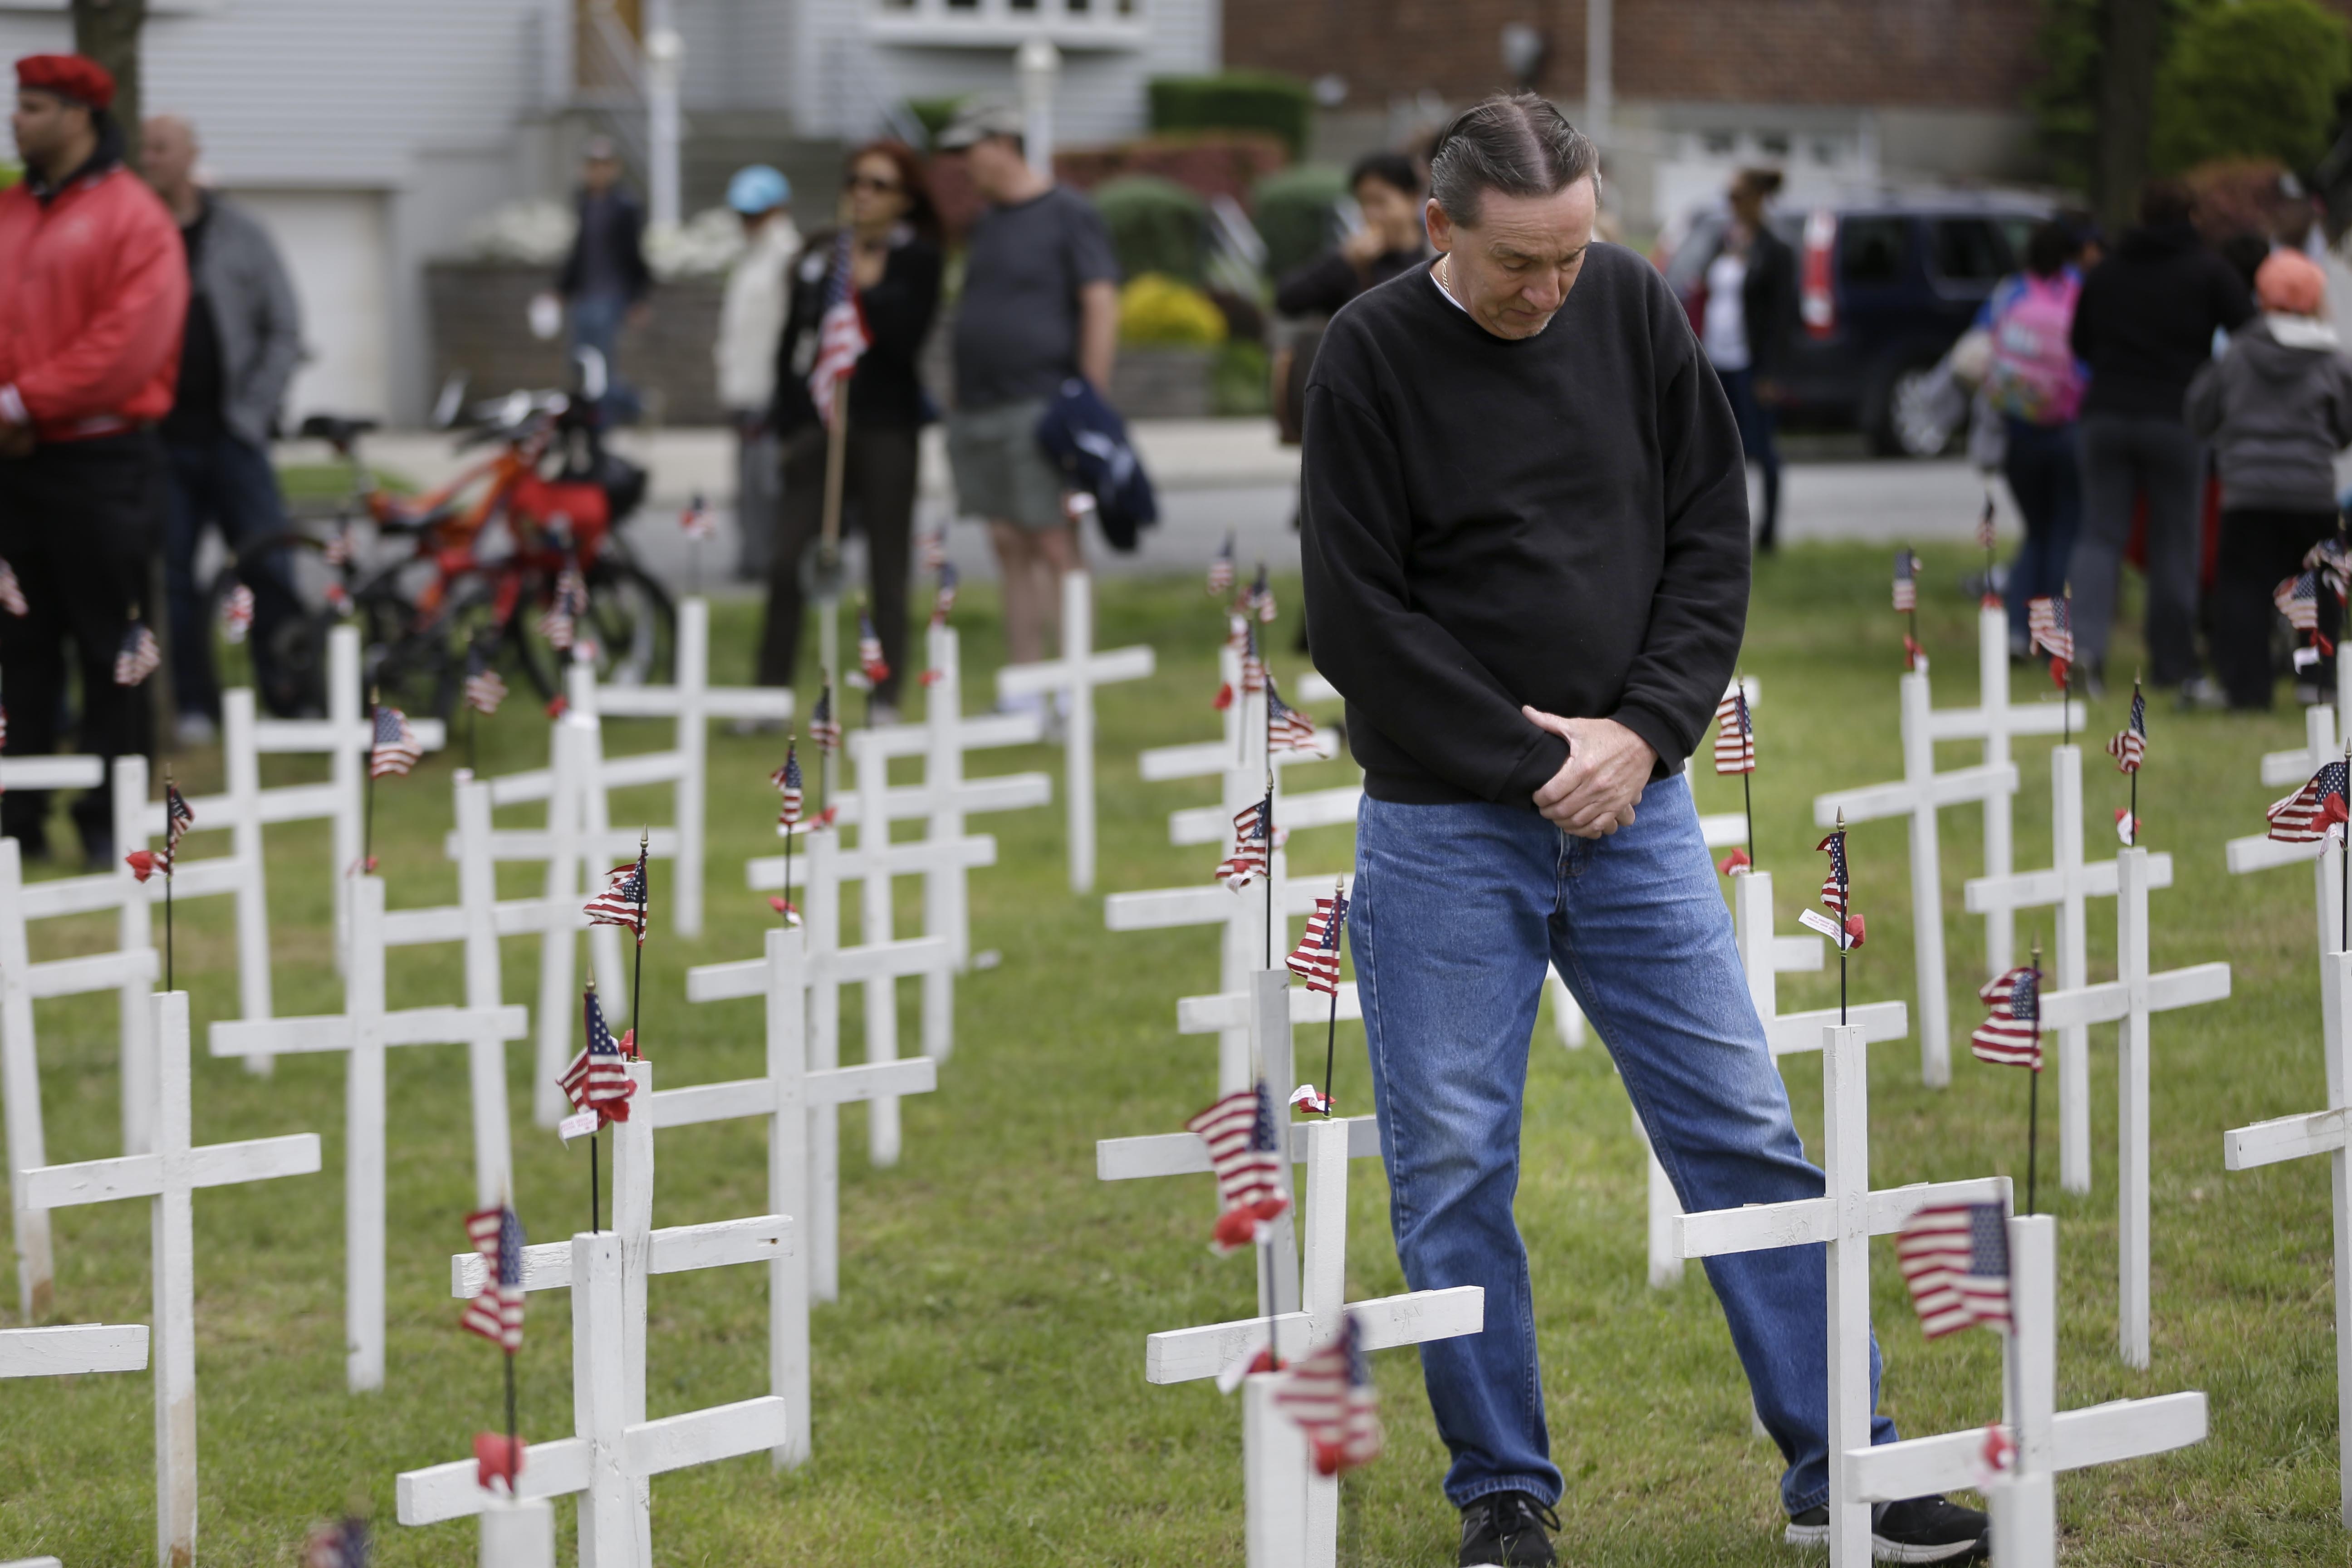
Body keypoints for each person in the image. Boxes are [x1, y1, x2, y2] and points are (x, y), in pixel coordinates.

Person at [1299, 93, 1989, 1568]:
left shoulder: (1627, 306)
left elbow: (1704, 525)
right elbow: (1353, 612)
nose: (1550, 293)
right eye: (1515, 268)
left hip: (1638, 801)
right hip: (1442, 824)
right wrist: (1527, 752)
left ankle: (1842, 1466)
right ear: (1438, 229)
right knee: (1456, 1164)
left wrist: (1647, 728)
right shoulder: (1364, 354)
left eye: (1571, 255)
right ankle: (1502, 1489)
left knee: (1741, 1128)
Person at [0, 53, 186, 866]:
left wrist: (20, 401)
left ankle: (111, 813)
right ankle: (19, 817)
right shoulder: (10, 212)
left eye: (35, 107)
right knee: (19, 645)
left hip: (102, 464)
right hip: (17, 463)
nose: (17, 120)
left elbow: (127, 346)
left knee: (113, 642)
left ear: (80, 116)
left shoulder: (133, 218)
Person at [756, 140, 941, 726]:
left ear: (905, 199)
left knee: (887, 569)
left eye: (879, 184)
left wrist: (867, 283)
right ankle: (767, 697)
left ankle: (883, 697)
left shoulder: (920, 259)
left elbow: (904, 339)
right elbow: (793, 342)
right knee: (788, 560)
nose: (863, 193)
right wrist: (788, 424)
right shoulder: (819, 256)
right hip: (820, 429)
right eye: (856, 181)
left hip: (887, 428)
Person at [935, 101, 1119, 680]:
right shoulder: (988, 222)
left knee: (1053, 543)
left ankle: (1072, 684)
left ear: (1003, 144)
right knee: (1005, 541)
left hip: (1043, 406)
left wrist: (1087, 400)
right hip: (981, 406)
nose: (964, 165)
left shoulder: (1067, 212)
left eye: (970, 151)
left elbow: (1100, 301)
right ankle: (1024, 684)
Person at [139, 113, 305, 739]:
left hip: (235, 437)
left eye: (161, 146)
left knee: (270, 564)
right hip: (164, 441)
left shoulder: (241, 234)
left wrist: (255, 411)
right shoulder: (140, 233)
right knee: (173, 578)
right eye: (145, 147)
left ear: (189, 155)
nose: (150, 156)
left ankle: (290, 695)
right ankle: (192, 705)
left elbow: (283, 328)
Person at [2068, 177, 2254, 701]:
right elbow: (2248, 332)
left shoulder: (2106, 271)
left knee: (2099, 535)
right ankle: (2174, 665)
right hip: (2176, 417)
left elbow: (2079, 342)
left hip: (2105, 414)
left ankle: (2086, 652)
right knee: (2176, 542)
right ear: (2191, 217)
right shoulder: (2208, 271)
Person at [2189, 249, 2352, 709]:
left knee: (2242, 588)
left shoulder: (2238, 353)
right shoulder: (2332, 359)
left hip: (2247, 492)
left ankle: (2246, 688)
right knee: (2319, 585)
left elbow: (2200, 411)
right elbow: (2345, 423)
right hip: (2311, 490)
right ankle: (2317, 682)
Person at [1982, 221, 2088, 660]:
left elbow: (1983, 345)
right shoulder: (2078, 292)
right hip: (2066, 429)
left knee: (2036, 531)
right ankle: (2052, 638)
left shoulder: (2011, 294)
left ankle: (2014, 632)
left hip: (2018, 431)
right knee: (2064, 532)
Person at [1698, 168, 1798, 551]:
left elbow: (1782, 317)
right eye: (1729, 197)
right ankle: (1723, 530)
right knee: (1720, 448)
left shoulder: (1777, 249)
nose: (1732, 205)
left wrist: (1772, 373)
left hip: (1752, 365)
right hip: (1718, 359)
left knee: (1762, 449)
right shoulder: (1726, 240)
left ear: (1758, 198)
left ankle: (1769, 533)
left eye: (1738, 197)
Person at [714, 163, 801, 584]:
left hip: (773, 390)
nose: (748, 222)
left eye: (756, 213)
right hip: (745, 389)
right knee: (747, 481)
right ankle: (752, 557)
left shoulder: (788, 256)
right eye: (743, 214)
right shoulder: (749, 256)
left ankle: (772, 561)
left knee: (769, 482)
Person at [556, 137, 652, 421]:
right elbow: (577, 253)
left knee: (602, 368)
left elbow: (635, 255)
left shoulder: (625, 206)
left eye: (604, 165)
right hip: (583, 295)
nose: (598, 171)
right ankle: (623, 409)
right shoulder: (583, 202)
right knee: (579, 363)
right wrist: (561, 289)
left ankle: (608, 423)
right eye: (593, 165)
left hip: (611, 296)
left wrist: (639, 298)